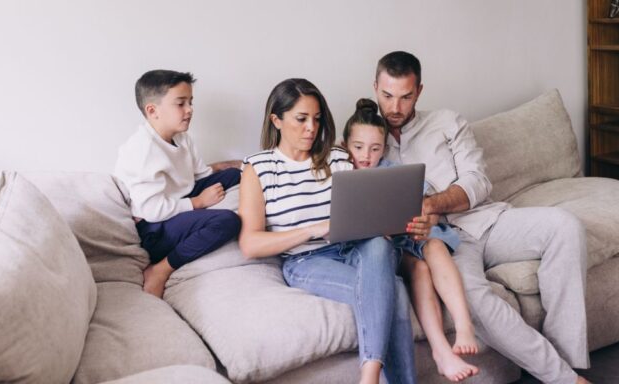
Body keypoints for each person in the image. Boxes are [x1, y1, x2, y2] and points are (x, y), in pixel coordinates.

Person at [374, 51, 591, 384]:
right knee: (472, 298)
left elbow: (477, 180)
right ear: (376, 87)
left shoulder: (447, 122)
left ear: (419, 91)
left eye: (405, 97)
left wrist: (431, 204)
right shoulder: (367, 141)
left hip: (487, 220)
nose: (395, 107)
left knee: (566, 226)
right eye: (387, 96)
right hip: (445, 244)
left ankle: (568, 361)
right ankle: (564, 379)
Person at [237, 78, 416, 384]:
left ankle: (369, 374)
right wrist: (314, 230)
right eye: (302, 119)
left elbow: (368, 209)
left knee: (377, 244)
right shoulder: (259, 168)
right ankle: (373, 375)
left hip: (355, 248)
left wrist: (384, 223)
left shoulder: (336, 158)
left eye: (317, 119)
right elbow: (250, 243)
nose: (311, 128)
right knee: (395, 290)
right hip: (307, 260)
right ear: (276, 120)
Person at [341, 98, 479, 382]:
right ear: (345, 145)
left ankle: (460, 331)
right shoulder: (339, 172)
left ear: (384, 148)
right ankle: (441, 350)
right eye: (358, 147)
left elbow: (418, 200)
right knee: (414, 264)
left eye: (375, 148)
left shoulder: (390, 170)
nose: (366, 155)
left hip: (402, 239)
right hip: (371, 250)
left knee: (432, 248)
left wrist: (414, 218)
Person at [114, 69, 242, 298]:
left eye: (190, 102)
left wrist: (226, 167)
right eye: (180, 103)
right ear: (152, 111)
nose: (190, 109)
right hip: (155, 226)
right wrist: (198, 202)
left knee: (235, 175)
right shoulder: (143, 151)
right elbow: (152, 210)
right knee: (227, 221)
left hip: (178, 201)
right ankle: (161, 269)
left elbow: (199, 174)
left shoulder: (181, 137)